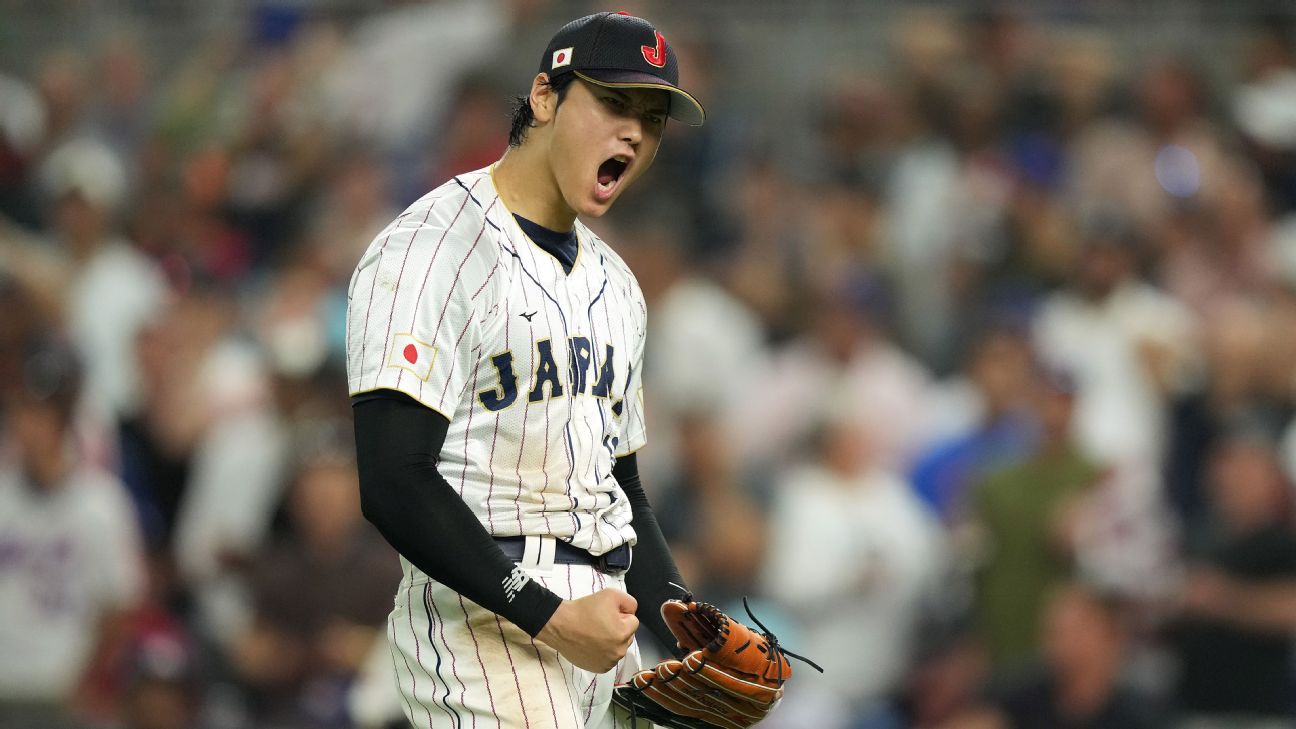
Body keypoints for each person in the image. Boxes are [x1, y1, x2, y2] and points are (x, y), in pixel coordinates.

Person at [345, 11, 704, 729]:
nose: (635, 133)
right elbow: (393, 480)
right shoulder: (428, 249)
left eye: (653, 120)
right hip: (484, 620)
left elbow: (624, 490)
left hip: (606, 623)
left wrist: (696, 636)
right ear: (544, 97)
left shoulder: (618, 285)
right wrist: (547, 615)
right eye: (614, 104)